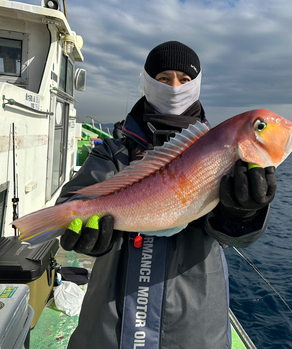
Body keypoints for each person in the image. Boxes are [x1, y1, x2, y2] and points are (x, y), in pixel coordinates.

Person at [57, 41, 277, 348]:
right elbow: (72, 205)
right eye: (164, 78)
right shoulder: (113, 152)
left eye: (184, 80)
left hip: (193, 327)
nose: (175, 87)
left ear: (196, 85)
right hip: (109, 325)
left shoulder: (224, 156)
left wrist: (243, 213)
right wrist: (86, 236)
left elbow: (237, 238)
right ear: (147, 83)